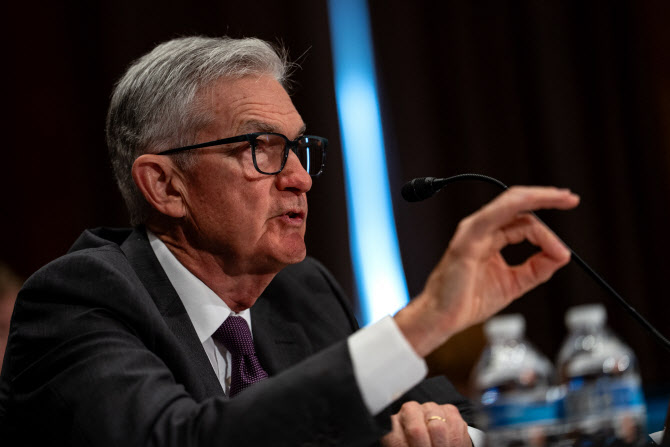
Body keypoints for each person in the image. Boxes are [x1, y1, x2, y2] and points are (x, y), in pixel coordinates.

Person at [0, 36, 579, 447]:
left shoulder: (301, 292)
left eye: (299, 149)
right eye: (261, 149)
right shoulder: (79, 301)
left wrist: (447, 432)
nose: (300, 178)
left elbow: (448, 412)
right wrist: (428, 320)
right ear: (165, 185)